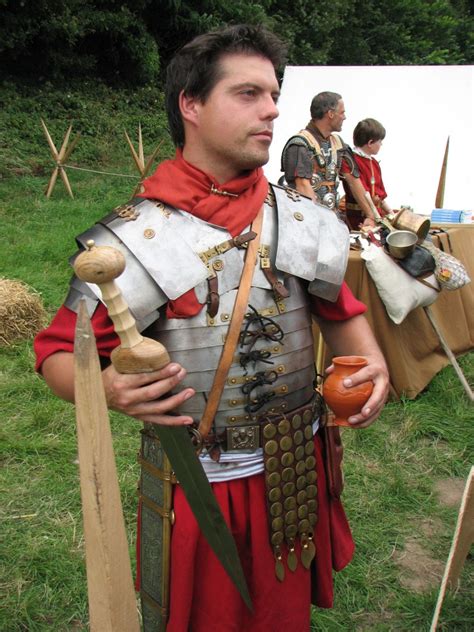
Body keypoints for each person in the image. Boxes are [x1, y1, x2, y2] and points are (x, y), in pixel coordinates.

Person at [34, 24, 389, 632]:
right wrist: (109, 389)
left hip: (292, 468)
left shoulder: (303, 221)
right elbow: (59, 354)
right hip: (200, 481)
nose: (273, 109)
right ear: (191, 105)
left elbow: (346, 318)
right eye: (248, 94)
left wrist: (372, 368)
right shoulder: (133, 241)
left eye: (274, 94)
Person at [280, 91, 376, 226]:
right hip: (303, 222)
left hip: (331, 219)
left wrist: (370, 215)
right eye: (342, 112)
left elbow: (354, 181)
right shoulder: (300, 144)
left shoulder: (338, 144)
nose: (344, 117)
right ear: (330, 114)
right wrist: (321, 225)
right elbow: (303, 187)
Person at [343, 117, 393, 230]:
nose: (381, 144)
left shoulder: (374, 163)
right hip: (359, 218)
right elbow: (364, 194)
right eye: (380, 141)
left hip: (377, 216)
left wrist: (391, 213)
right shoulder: (351, 161)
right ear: (370, 143)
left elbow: (380, 197)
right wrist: (373, 217)